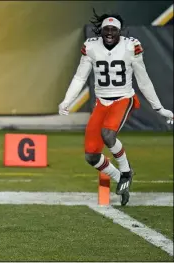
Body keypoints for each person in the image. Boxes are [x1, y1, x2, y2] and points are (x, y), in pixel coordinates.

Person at [58, 10, 173, 206]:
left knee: (108, 135)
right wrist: (67, 100)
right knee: (91, 156)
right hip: (101, 102)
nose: (109, 33)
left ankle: (127, 172)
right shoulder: (91, 47)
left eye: (113, 29)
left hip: (123, 98)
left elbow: (143, 80)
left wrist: (159, 108)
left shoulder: (130, 46)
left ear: (120, 32)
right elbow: (80, 77)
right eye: (106, 29)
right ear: (101, 31)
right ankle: (119, 177)